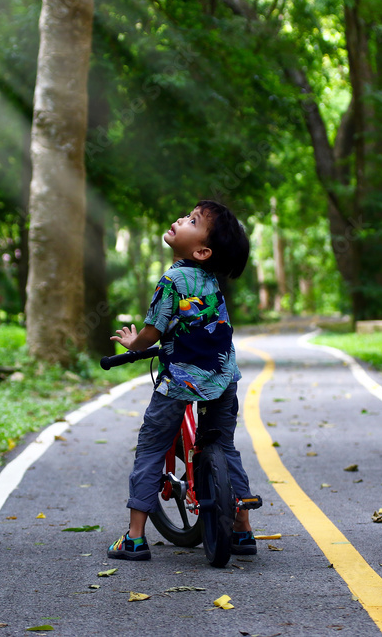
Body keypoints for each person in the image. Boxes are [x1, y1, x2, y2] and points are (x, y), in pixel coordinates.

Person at [107, 200, 259, 561]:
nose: (180, 218)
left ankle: (134, 538)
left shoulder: (173, 280)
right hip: (224, 377)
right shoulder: (212, 283)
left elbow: (153, 332)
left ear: (202, 250)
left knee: (151, 448)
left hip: (179, 380)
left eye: (192, 220)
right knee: (224, 446)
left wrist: (133, 345)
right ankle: (242, 529)